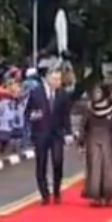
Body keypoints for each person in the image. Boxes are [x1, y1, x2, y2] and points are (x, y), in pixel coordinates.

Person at [25, 66, 72, 204]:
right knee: (41, 164)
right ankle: (45, 194)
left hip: (57, 134)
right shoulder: (35, 93)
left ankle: (56, 190)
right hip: (41, 133)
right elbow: (27, 112)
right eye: (55, 79)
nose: (58, 82)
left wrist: (68, 132)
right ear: (48, 79)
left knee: (58, 161)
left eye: (59, 79)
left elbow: (66, 115)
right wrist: (34, 115)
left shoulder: (62, 94)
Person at [79, 82, 112, 206]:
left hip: (109, 141)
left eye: (99, 92)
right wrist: (81, 142)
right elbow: (83, 126)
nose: (96, 95)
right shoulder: (89, 108)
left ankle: (109, 195)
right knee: (94, 168)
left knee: (108, 168)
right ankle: (96, 196)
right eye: (94, 92)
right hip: (92, 140)